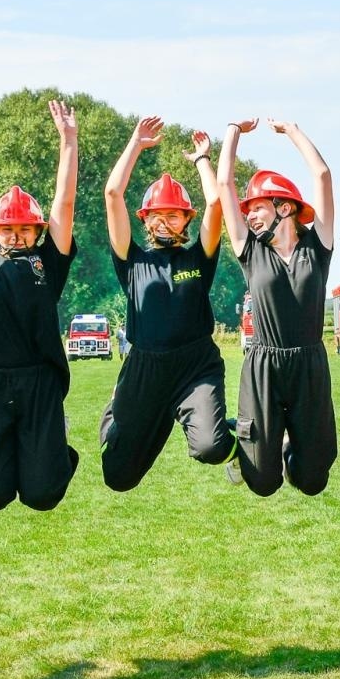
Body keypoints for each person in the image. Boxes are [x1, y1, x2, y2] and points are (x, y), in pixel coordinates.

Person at [0, 95, 79, 512]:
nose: (16, 236)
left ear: (37, 231)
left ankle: (56, 450)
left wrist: (69, 140)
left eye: (26, 229)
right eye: (8, 229)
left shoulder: (48, 260)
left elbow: (64, 203)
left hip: (40, 381)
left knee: (43, 496)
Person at [99, 116, 234, 491]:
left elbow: (217, 202)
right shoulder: (132, 260)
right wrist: (135, 145)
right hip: (144, 368)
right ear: (145, 221)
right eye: (157, 216)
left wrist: (202, 160)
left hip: (195, 365)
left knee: (210, 446)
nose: (164, 222)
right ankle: (116, 408)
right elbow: (113, 195)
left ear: (186, 219)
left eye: (172, 215)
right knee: (118, 477)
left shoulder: (198, 257)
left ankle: (232, 438)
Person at [216, 118, 337, 496]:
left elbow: (322, 175)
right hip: (263, 365)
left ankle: (287, 449)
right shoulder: (250, 251)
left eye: (257, 207)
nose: (249, 215)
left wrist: (294, 132)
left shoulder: (317, 248)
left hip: (310, 364)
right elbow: (223, 185)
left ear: (284, 207)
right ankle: (244, 446)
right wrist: (234, 131)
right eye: (246, 209)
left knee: (313, 480)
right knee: (263, 484)